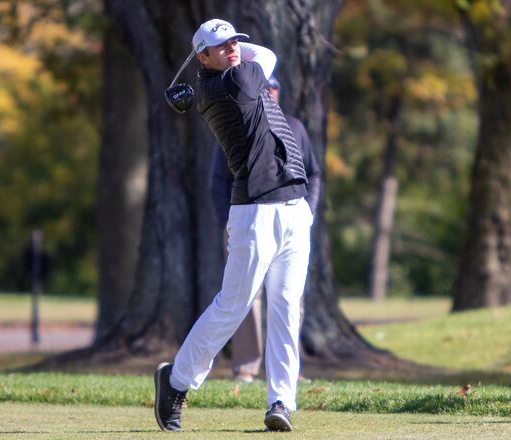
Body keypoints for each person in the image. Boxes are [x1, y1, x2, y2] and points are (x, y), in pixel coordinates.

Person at [154, 19, 313, 432]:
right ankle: (175, 382)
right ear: (203, 58)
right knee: (232, 307)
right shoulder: (231, 83)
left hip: (294, 208)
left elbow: (252, 53)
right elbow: (268, 55)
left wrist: (215, 44)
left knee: (285, 308)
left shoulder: (227, 74)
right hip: (256, 211)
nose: (234, 50)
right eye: (221, 47)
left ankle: (281, 400)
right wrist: (222, 52)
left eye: (235, 43)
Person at [210, 75, 321, 383]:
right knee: (246, 297)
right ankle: (246, 367)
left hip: (291, 221)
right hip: (246, 222)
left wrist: (307, 212)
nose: (270, 92)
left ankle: (286, 371)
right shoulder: (237, 126)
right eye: (264, 87)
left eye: (274, 87)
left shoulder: (295, 127)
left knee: (288, 297)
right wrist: (228, 219)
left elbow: (313, 173)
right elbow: (218, 180)